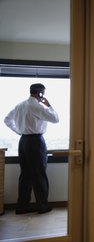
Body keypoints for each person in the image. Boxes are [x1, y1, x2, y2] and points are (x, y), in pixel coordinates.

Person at [4, 83, 59, 214]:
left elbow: (7, 120)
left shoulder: (20, 105)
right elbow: (55, 119)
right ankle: (42, 206)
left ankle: (22, 206)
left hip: (23, 141)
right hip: (35, 141)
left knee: (25, 174)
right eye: (43, 94)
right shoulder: (36, 106)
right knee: (39, 174)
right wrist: (48, 105)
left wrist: (19, 132)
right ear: (40, 94)